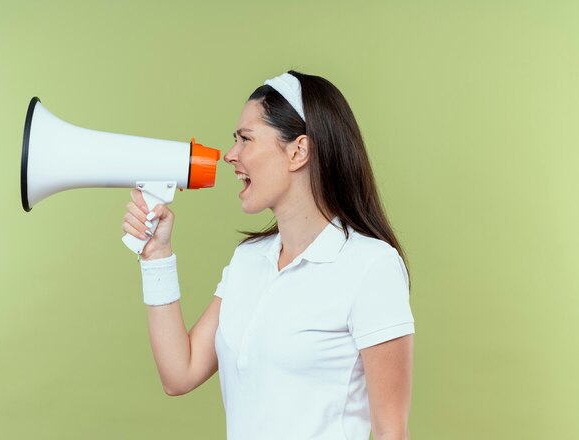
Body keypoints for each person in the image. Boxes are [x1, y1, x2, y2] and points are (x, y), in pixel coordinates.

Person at [121, 70, 415, 440]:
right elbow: (179, 373)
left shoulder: (372, 267)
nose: (230, 155)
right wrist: (157, 255)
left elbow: (393, 433)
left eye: (245, 139)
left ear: (298, 151)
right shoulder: (248, 260)